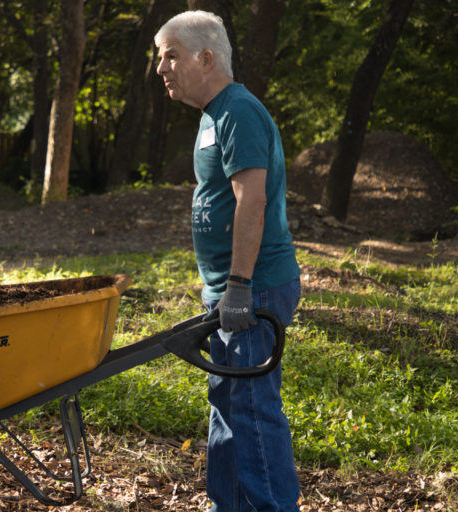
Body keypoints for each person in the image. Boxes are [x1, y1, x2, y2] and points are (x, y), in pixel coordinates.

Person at [154, 11, 302, 512]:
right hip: (228, 290)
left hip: (253, 288)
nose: (161, 68)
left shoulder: (238, 111)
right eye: (160, 56)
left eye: (170, 55)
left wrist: (239, 284)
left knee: (254, 410)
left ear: (207, 57)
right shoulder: (211, 116)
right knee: (228, 406)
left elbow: (251, 202)